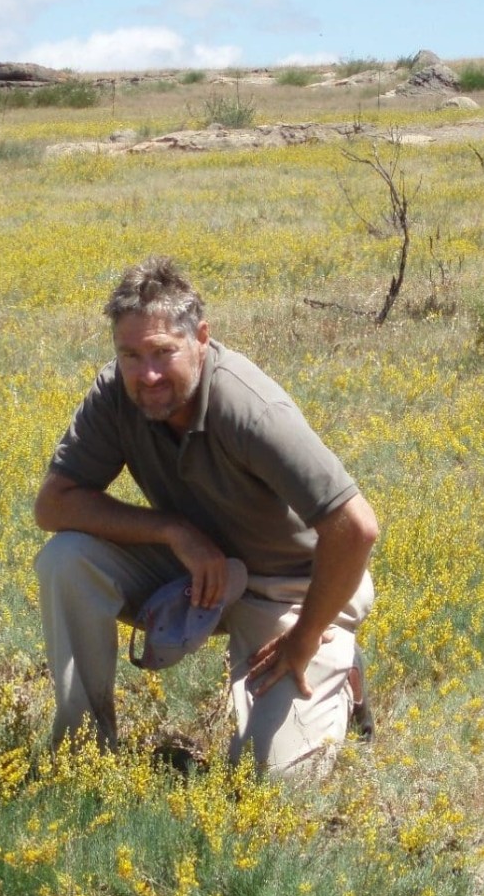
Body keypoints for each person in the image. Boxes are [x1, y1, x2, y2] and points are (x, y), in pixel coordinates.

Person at [33, 256, 379, 777]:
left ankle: (341, 672)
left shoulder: (250, 408)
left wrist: (305, 637)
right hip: (194, 570)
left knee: (279, 783)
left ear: (200, 337)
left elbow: (355, 527)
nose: (146, 374)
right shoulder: (116, 393)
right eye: (129, 354)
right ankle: (83, 753)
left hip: (293, 588)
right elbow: (54, 504)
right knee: (66, 559)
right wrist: (174, 532)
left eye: (162, 353)